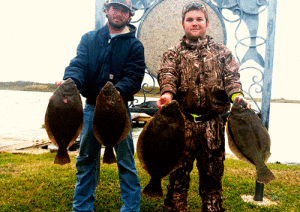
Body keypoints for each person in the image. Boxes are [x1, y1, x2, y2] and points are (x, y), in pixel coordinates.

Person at [156, 2, 251, 212]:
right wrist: (167, 94)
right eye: (190, 19)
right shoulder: (173, 53)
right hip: (182, 126)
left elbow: (232, 79)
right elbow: (168, 75)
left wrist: (237, 97)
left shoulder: (222, 52)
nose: (194, 23)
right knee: (177, 180)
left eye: (199, 19)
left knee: (212, 182)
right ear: (183, 24)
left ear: (207, 23)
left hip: (213, 126)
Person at [57, 0, 146, 211]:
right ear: (106, 10)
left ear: (130, 15)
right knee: (86, 161)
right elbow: (79, 64)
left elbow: (134, 76)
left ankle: (131, 208)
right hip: (90, 109)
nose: (119, 13)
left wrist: (117, 91)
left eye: (124, 9)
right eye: (115, 7)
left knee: (126, 162)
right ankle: (81, 208)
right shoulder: (89, 39)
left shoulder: (135, 45)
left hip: (119, 110)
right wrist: (70, 81)